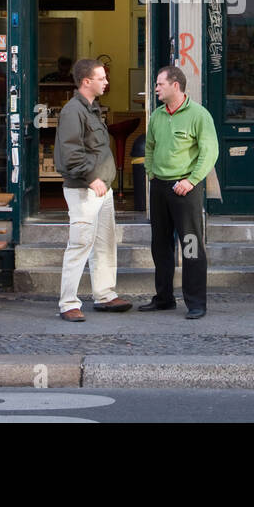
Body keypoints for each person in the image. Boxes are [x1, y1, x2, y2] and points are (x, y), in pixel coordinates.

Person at [54, 58, 132, 321]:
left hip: (102, 188)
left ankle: (105, 294)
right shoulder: (72, 111)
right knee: (80, 243)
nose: (106, 82)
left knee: (104, 243)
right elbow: (71, 152)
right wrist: (91, 177)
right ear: (86, 82)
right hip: (85, 189)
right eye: (101, 78)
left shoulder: (90, 108)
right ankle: (68, 303)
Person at [141, 64, 220, 320]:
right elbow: (150, 146)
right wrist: (151, 173)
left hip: (185, 188)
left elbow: (210, 152)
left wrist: (192, 180)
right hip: (160, 187)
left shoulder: (199, 115)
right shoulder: (157, 115)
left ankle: (196, 303)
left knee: (191, 245)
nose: (156, 89)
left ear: (175, 85)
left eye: (159, 84)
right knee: (160, 246)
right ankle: (163, 298)